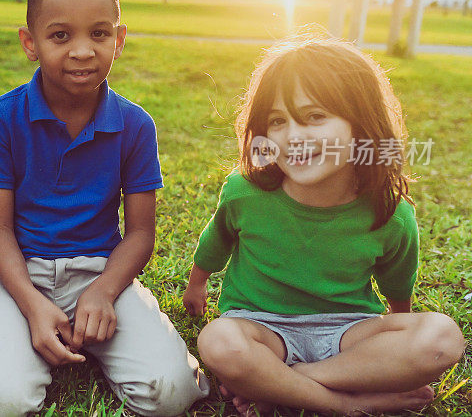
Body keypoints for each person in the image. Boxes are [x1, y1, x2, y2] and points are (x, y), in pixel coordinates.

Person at [0, 0, 208, 416]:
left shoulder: (134, 125)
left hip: (100, 274)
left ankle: (83, 324)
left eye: (99, 33)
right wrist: (31, 305)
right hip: (18, 279)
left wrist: (104, 291)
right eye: (60, 36)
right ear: (30, 43)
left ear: (120, 39)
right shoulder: (1, 119)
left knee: (171, 392)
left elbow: (140, 235)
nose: (82, 51)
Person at [183, 35, 466, 416]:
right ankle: (349, 405)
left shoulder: (390, 212)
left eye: (315, 116)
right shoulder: (243, 191)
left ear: (362, 125)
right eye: (278, 121)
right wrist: (196, 284)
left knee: (443, 338)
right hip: (261, 328)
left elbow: (399, 292)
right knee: (217, 341)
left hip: (348, 331)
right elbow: (215, 240)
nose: (294, 136)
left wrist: (398, 349)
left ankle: (280, 384)